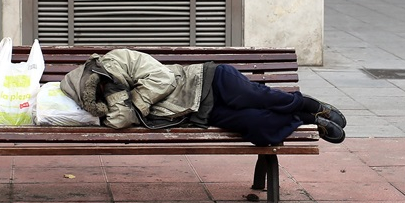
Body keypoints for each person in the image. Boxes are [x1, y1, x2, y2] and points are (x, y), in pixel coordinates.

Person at [60, 48, 347, 145]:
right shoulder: (109, 102)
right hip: (200, 114)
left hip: (208, 81)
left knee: (257, 97)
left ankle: (310, 105)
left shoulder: (118, 60)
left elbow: (162, 78)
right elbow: (119, 122)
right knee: (260, 127)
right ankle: (306, 120)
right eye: (97, 93)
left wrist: (135, 102)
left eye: (100, 84)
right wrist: (123, 100)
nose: (104, 88)